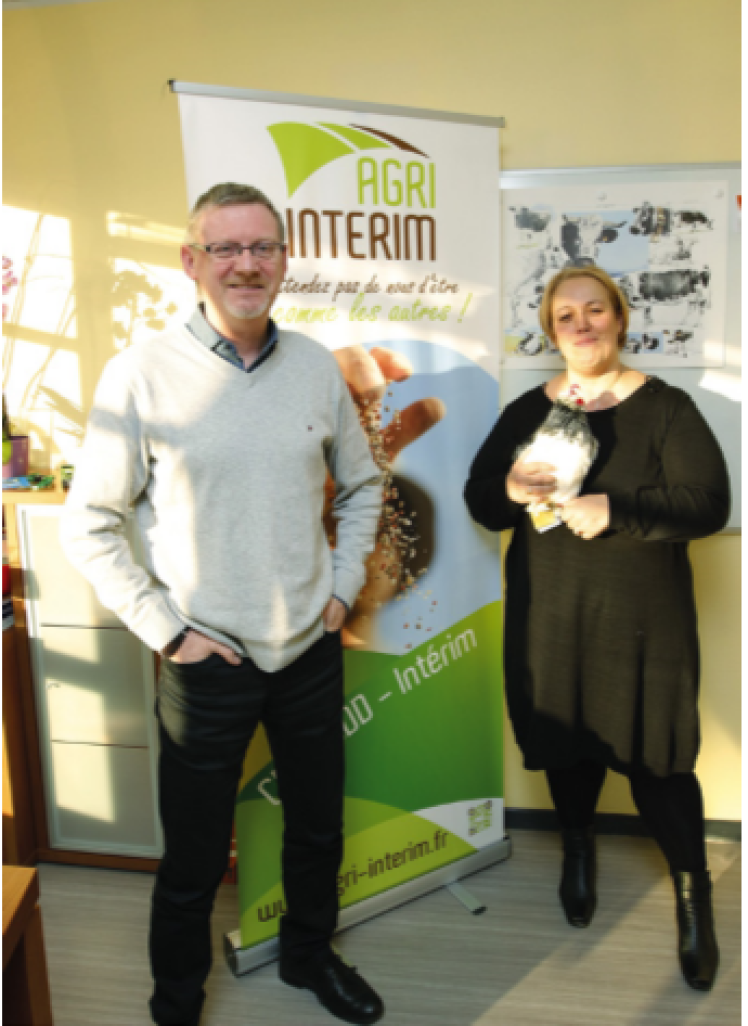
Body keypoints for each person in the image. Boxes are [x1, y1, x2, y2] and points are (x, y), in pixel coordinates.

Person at [61, 182, 385, 1026]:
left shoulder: (315, 366)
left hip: (307, 653)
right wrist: (168, 632)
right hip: (207, 662)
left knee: (317, 832)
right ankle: (176, 1000)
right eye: (227, 248)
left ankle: (310, 959)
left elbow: (361, 486)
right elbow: (89, 524)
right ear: (191, 261)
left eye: (263, 248)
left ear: (284, 260)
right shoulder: (139, 375)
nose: (247, 264)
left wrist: (344, 587)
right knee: (195, 859)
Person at [464, 265, 729, 991]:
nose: (581, 325)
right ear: (551, 332)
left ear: (620, 317)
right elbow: (481, 501)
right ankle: (577, 849)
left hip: (644, 623)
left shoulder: (666, 407)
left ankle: (691, 893)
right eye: (564, 316)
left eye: (594, 310)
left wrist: (616, 509)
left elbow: (708, 503)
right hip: (551, 614)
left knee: (659, 762)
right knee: (567, 745)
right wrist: (512, 488)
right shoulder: (527, 410)